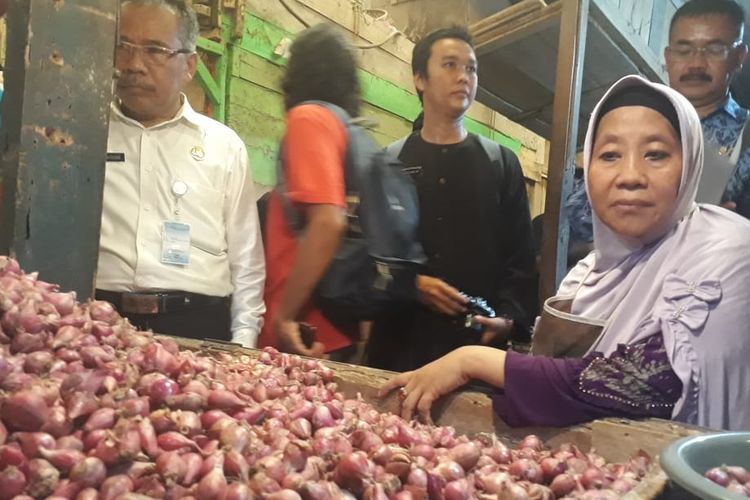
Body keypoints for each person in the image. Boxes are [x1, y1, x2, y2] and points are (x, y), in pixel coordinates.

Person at [381, 75, 750, 432]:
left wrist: (472, 360)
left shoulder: (728, 251)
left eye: (656, 154)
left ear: (690, 165)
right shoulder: (588, 272)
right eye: (609, 155)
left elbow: (649, 385)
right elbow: (554, 370)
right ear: (588, 169)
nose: (630, 175)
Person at [95, 0, 265, 347]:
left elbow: (246, 259)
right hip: (100, 322)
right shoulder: (85, 135)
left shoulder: (223, 146)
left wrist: (243, 344)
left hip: (197, 325)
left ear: (189, 65)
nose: (134, 65)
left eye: (155, 50)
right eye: (123, 47)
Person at [366, 27, 536, 372]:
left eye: (471, 68)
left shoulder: (500, 164)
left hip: (474, 354)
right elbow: (365, 259)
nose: (463, 77)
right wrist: (409, 285)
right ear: (420, 79)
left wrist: (508, 320)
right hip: (400, 352)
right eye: (449, 65)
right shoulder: (387, 165)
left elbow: (521, 263)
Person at [566, 0, 749, 242]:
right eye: (684, 51)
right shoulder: (628, 120)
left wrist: (729, 232)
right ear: (668, 57)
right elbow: (573, 216)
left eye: (714, 50)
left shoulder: (745, 135)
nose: (696, 63)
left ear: (738, 57)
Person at [258, 23, 361, 361]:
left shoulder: (309, 119)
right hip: (334, 326)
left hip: (306, 335)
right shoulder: (346, 126)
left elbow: (328, 221)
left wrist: (284, 315)